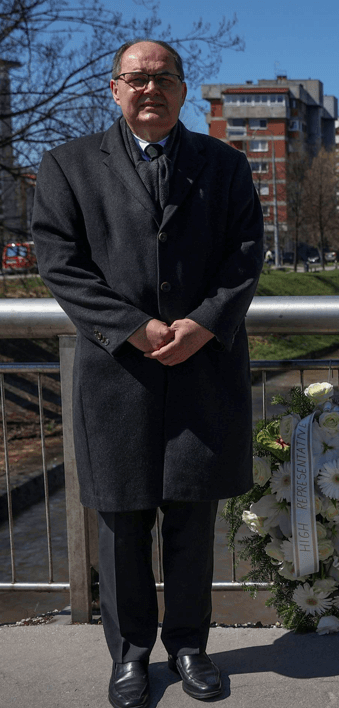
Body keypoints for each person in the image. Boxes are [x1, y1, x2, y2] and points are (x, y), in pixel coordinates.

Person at [32, 40, 263, 708]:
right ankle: (130, 657)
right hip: (117, 375)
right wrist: (131, 325)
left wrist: (206, 322)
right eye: (137, 79)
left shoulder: (224, 165)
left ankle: (189, 647)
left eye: (163, 78)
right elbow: (60, 263)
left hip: (203, 370)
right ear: (113, 89)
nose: (150, 89)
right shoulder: (68, 165)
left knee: (193, 520)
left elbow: (245, 257)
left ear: (184, 90)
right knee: (123, 523)